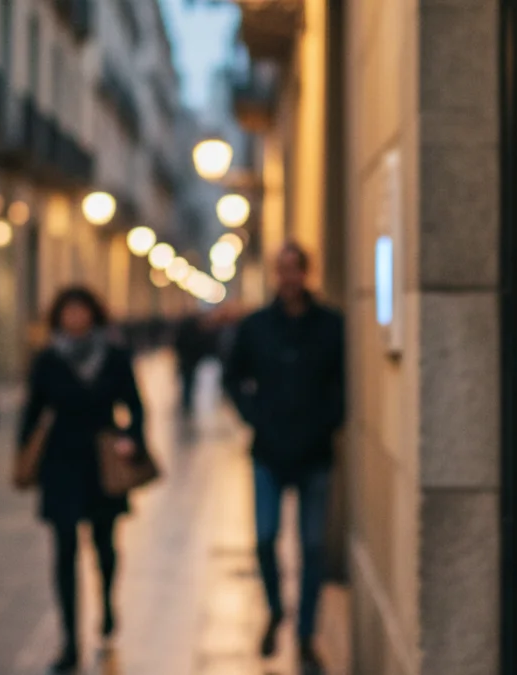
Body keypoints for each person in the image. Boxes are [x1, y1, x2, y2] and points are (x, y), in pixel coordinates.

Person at [223, 243, 345, 673]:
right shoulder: (257, 326)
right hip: (269, 452)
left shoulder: (331, 325)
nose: (289, 278)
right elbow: (233, 376)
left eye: (296, 269)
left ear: (306, 274)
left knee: (313, 547)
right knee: (264, 537)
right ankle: (276, 607)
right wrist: (254, 415)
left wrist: (329, 421)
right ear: (275, 275)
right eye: (282, 270)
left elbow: (343, 384)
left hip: (315, 453)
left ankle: (306, 632)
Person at [18, 287, 145, 674]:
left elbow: (136, 407)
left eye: (82, 311)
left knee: (105, 546)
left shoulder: (115, 357)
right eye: (68, 312)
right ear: (59, 317)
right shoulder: (47, 359)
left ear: (94, 315)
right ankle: (69, 641)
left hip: (102, 461)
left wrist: (132, 439)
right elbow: (32, 410)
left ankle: (106, 604)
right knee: (63, 552)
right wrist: (23, 457)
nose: (75, 318)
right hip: (61, 463)